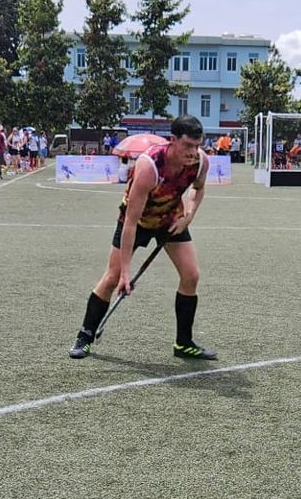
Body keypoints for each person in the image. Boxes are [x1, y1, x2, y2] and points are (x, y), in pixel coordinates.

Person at [68, 114, 215, 361]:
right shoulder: (150, 166)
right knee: (113, 277)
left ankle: (183, 343)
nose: (193, 152)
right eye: (187, 145)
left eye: (197, 145)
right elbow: (131, 222)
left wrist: (188, 216)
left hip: (170, 219)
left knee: (191, 275)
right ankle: (85, 335)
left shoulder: (200, 162)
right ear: (173, 140)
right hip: (137, 221)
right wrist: (126, 273)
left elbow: (198, 190)